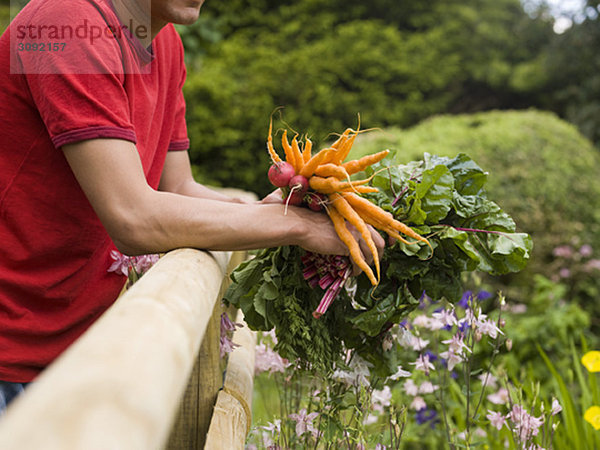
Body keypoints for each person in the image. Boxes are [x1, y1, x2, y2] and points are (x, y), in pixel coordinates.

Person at [0, 0, 384, 413]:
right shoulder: (65, 25)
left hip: (70, 347)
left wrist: (286, 210)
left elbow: (178, 186)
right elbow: (132, 218)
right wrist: (298, 228)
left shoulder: (164, 44)